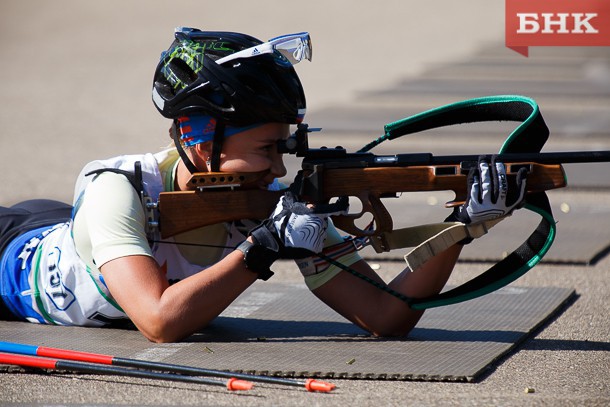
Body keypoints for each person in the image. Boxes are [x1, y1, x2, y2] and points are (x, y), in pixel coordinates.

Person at [0, 27, 527, 343]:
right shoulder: (115, 187)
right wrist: (262, 247)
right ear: (201, 140)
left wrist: (463, 225)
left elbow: (386, 317)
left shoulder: (263, 205)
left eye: (284, 148)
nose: (278, 170)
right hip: (12, 247)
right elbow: (159, 322)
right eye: (264, 150)